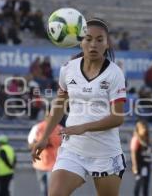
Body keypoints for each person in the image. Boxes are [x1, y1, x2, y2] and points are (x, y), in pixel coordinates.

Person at [32, 18, 127, 196]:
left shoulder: (115, 74)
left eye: (100, 40)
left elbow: (118, 117)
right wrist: (45, 136)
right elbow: (59, 104)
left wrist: (84, 127)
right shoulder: (68, 68)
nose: (93, 44)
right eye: (88, 38)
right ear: (81, 41)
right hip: (73, 150)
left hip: (105, 153)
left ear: (107, 44)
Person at [28, 108, 62, 196]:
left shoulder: (60, 129)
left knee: (52, 189)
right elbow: (30, 145)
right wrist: (41, 143)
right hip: (41, 163)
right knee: (44, 189)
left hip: (55, 165)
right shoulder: (37, 128)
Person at [130, 119, 152, 196]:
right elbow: (133, 153)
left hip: (147, 166)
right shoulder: (136, 139)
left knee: (146, 186)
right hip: (139, 166)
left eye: (146, 127)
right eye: (143, 128)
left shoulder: (147, 140)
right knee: (138, 185)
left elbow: (150, 151)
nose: (145, 129)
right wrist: (135, 166)